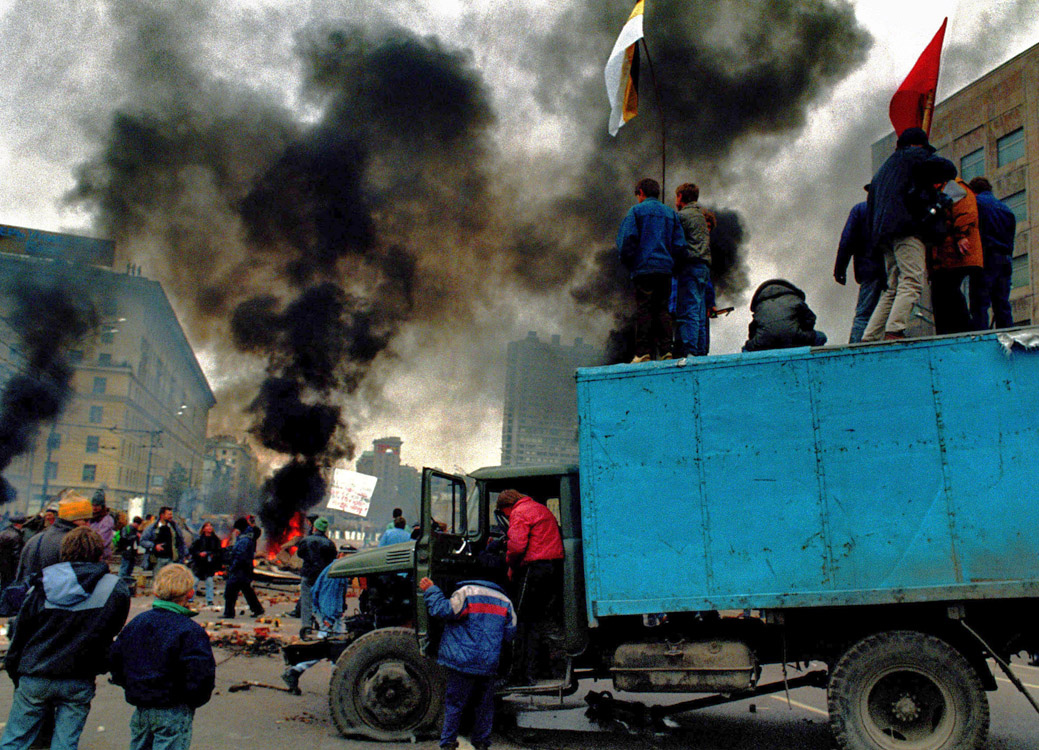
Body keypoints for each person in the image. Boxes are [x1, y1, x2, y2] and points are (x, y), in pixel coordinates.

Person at [0, 527, 130, 750]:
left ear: (64, 551)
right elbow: (111, 632)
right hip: (79, 677)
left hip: (35, 673)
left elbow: (21, 632)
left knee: (16, 740)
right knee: (65, 743)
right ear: (99, 553)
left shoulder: (41, 582)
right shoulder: (114, 588)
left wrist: (15, 668)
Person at [862, 127, 955, 341]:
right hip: (907, 228)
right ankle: (895, 330)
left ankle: (870, 335)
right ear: (917, 145)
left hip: (884, 235)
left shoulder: (881, 172)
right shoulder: (913, 156)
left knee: (892, 286)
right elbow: (947, 169)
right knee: (912, 280)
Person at [109, 563, 216, 750]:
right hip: (174, 708)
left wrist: (130, 685)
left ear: (156, 592)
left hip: (142, 706)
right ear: (189, 593)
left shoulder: (138, 623)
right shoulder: (191, 631)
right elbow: (201, 674)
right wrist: (192, 700)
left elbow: (116, 658)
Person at [419, 575, 516, 750]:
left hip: (462, 661)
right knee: (484, 706)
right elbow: (510, 633)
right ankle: (481, 743)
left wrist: (431, 591)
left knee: (455, 703)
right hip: (488, 663)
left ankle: (448, 742)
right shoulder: (505, 601)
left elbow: (443, 611)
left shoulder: (467, 592)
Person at [495, 489, 564, 685]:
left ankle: (519, 674)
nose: (506, 516)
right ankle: (539, 670)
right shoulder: (539, 508)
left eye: (504, 512)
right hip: (550, 568)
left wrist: (509, 564)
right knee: (535, 622)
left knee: (520, 621)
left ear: (507, 506)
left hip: (534, 569)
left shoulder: (519, 512)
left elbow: (516, 546)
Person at [616, 177, 687, 363]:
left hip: (644, 269)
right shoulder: (670, 214)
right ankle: (666, 351)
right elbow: (680, 245)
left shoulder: (636, 211)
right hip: (665, 270)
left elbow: (626, 242)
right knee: (663, 309)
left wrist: (629, 262)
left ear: (641, 193)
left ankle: (642, 352)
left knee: (644, 309)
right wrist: (672, 264)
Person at [929, 177, 983, 335]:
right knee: (943, 292)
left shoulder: (954, 186)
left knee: (948, 291)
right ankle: (951, 332)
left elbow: (965, 211)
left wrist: (961, 235)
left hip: (953, 253)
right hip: (944, 255)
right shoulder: (940, 189)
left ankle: (963, 331)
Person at [834, 186, 885, 343]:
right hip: (891, 268)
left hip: (869, 269)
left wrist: (840, 269)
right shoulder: (888, 209)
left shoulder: (860, 210)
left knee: (864, 314)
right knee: (888, 311)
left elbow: (846, 241)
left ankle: (856, 349)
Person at [968, 176, 1018, 330]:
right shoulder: (1006, 209)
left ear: (973, 191)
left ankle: (981, 338)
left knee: (980, 302)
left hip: (986, 256)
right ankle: (1007, 335)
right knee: (1002, 303)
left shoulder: (976, 204)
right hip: (1005, 259)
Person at [15, 491, 93, 582]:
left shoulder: (35, 539)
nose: (88, 525)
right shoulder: (77, 543)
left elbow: (19, 575)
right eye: (86, 520)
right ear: (73, 519)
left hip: (31, 594)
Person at [673, 182, 712, 357]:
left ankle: (689, 352)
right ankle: (700, 351)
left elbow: (677, 243)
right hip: (703, 268)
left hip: (690, 267)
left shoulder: (682, 217)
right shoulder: (700, 216)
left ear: (680, 197)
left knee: (688, 311)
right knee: (699, 313)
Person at [742, 279, 828, 351]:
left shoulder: (760, 306)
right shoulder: (795, 299)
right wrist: (801, 330)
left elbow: (753, 329)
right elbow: (810, 318)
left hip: (765, 342)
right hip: (795, 338)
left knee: (745, 349)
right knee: (821, 336)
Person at [295, 517, 337, 635]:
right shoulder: (329, 543)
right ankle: (321, 624)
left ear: (315, 528)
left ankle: (307, 626)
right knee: (321, 601)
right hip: (323, 576)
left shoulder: (306, 540)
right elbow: (333, 558)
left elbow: (300, 554)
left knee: (306, 601)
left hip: (308, 575)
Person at [223, 518, 264, 619]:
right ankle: (257, 609)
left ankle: (229, 613)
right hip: (245, 569)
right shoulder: (247, 536)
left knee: (231, 591)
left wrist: (232, 566)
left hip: (240, 569)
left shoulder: (244, 540)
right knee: (246, 589)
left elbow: (240, 555)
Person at [140, 506, 186, 576]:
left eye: (171, 514)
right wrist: (154, 546)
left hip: (172, 559)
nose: (171, 516)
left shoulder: (174, 527)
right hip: (158, 559)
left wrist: (184, 553)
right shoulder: (152, 528)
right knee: (158, 579)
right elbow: (143, 541)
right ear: (162, 515)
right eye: (169, 514)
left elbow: (181, 541)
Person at [188, 521, 222, 607]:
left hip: (209, 565)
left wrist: (212, 555)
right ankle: (190, 599)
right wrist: (199, 554)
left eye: (210, 526)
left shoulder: (216, 540)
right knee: (195, 582)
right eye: (207, 526)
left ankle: (209, 600)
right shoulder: (198, 539)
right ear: (203, 529)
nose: (209, 528)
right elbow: (192, 550)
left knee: (209, 582)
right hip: (199, 564)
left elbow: (219, 552)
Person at [0, 513, 28, 591]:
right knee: (9, 585)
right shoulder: (16, 536)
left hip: (3, 564)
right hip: (11, 566)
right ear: (18, 524)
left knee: (3, 583)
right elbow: (17, 554)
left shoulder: (4, 532)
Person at [88, 489, 114, 560]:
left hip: (100, 555)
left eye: (97, 506)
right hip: (90, 553)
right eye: (93, 505)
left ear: (102, 506)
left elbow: (102, 540)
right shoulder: (90, 518)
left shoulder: (107, 520)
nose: (94, 508)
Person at [116, 516, 143, 581]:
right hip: (126, 551)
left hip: (133, 552)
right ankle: (120, 581)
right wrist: (135, 536)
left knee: (130, 569)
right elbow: (124, 538)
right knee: (124, 568)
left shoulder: (135, 530)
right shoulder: (126, 529)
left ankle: (126, 582)